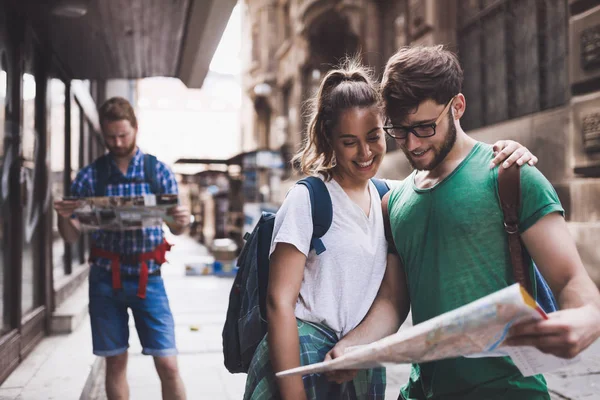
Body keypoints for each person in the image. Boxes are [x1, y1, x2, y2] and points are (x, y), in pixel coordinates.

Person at [242, 58, 539, 400]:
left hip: (360, 360)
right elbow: (279, 303)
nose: (365, 152)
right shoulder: (307, 199)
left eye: (373, 136)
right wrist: (293, 394)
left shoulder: (392, 197)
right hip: (302, 359)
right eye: (349, 141)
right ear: (329, 139)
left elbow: (394, 294)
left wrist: (509, 150)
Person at [329, 45, 600, 399]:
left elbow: (573, 283)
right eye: (399, 129)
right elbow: (394, 301)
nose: (411, 144)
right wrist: (353, 347)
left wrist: (586, 320)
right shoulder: (392, 203)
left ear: (457, 107)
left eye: (425, 127)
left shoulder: (511, 176)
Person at [53, 97, 190, 400]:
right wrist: (63, 218)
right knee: (115, 362)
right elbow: (72, 235)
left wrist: (183, 219)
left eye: (123, 135)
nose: (117, 142)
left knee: (168, 363)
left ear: (135, 129)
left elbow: (177, 227)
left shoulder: (158, 171)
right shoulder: (90, 176)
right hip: (105, 280)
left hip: (148, 278)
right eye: (110, 137)